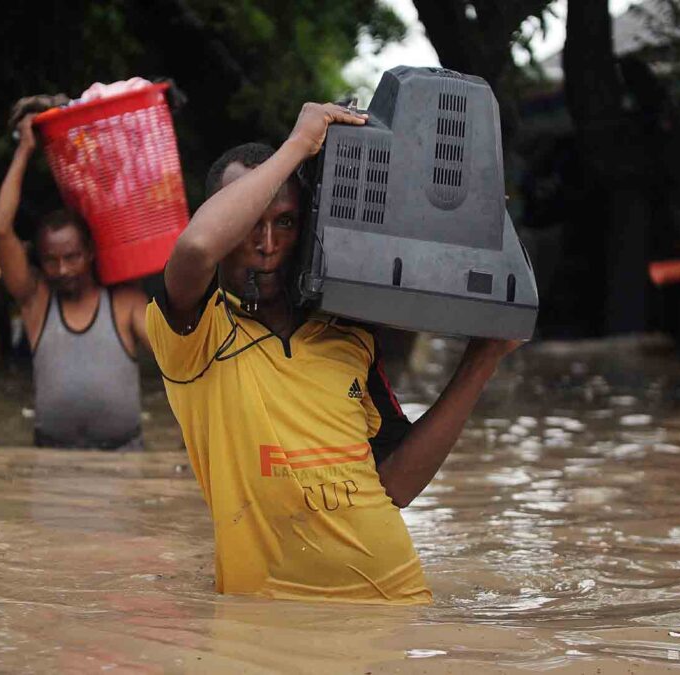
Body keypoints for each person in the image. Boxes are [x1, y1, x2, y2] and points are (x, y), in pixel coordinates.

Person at [146, 103, 522, 604]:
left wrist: (483, 358)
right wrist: (298, 146)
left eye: (285, 222)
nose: (266, 243)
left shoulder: (348, 332)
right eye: (249, 221)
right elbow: (195, 250)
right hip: (267, 624)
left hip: (397, 605)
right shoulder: (197, 332)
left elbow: (395, 487)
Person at [0, 104, 149, 450]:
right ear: (40, 262)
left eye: (72, 257)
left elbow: (179, 364)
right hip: (49, 459)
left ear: (91, 252)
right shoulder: (36, 300)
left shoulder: (125, 302)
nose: (62, 270)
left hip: (124, 459)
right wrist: (24, 149)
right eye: (52, 261)